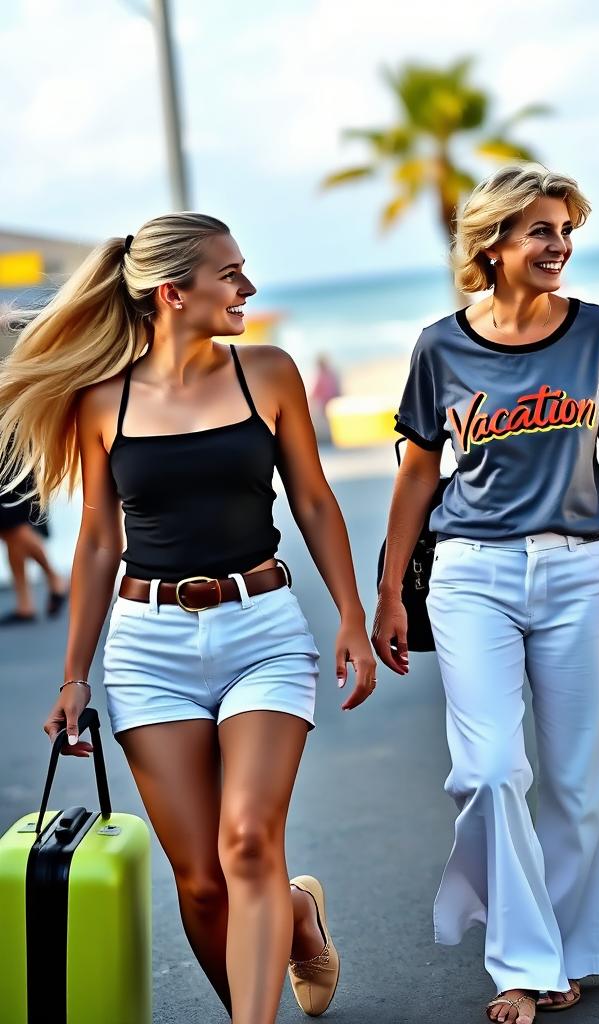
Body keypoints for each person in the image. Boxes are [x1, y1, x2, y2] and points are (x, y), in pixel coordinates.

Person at [0, 214, 377, 1023]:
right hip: (149, 648)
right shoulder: (102, 401)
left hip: (262, 632)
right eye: (231, 275)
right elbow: (99, 543)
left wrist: (351, 612)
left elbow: (312, 499)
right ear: (174, 293)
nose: (248, 287)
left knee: (246, 842)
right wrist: (74, 676)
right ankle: (296, 918)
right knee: (202, 880)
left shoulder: (267, 374)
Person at [373, 165, 599, 1024]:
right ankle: (520, 962)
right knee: (490, 768)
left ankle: (560, 955)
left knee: (578, 781)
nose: (559, 246)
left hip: (581, 570)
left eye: (566, 230)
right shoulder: (440, 346)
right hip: (472, 574)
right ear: (491, 244)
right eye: (540, 230)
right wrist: (389, 591)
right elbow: (418, 471)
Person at [0, 459, 66, 624]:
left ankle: (55, 578)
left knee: (12, 523)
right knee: (9, 529)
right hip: (11, 452)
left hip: (11, 452)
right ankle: (25, 604)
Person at [308, 353, 342, 444]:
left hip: (325, 402)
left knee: (315, 413)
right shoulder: (332, 373)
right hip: (333, 399)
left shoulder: (321, 375)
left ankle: (320, 436)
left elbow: (314, 391)